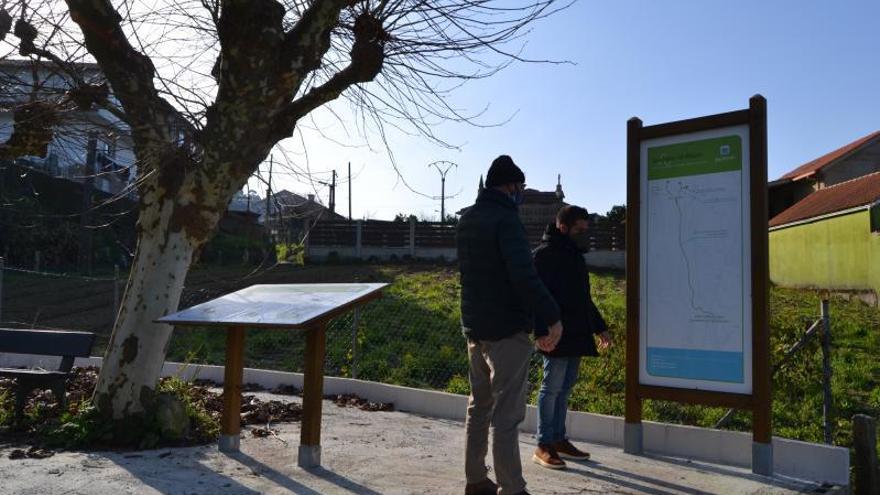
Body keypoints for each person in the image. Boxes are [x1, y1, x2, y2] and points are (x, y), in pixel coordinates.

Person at [457, 155, 563, 495]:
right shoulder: (507, 220)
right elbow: (523, 275)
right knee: (507, 414)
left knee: (478, 407)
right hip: (506, 331)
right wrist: (550, 316)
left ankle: (475, 480)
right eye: (519, 187)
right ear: (511, 186)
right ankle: (511, 487)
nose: (520, 194)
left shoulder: (468, 221)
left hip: (475, 328)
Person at [531, 205, 611, 470]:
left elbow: (583, 298)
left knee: (564, 389)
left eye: (586, 230)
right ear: (563, 228)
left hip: (576, 332)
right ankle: (543, 444)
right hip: (553, 334)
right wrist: (541, 330)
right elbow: (533, 297)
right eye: (579, 230)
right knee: (550, 387)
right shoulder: (542, 256)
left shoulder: (576, 256)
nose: (583, 235)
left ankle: (559, 439)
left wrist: (600, 327)